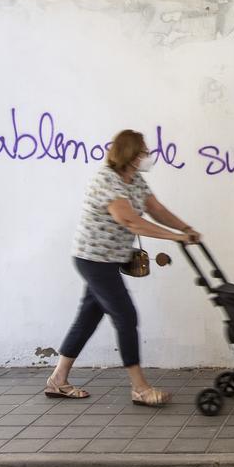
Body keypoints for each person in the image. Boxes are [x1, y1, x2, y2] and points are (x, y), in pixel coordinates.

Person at [44, 129, 200, 406]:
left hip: (108, 260)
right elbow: (131, 221)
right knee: (126, 316)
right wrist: (175, 237)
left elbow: (157, 210)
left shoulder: (134, 180)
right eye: (143, 152)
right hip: (93, 259)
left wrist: (185, 228)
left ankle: (58, 380)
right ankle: (140, 388)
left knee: (88, 316)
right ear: (130, 154)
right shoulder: (107, 180)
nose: (147, 156)